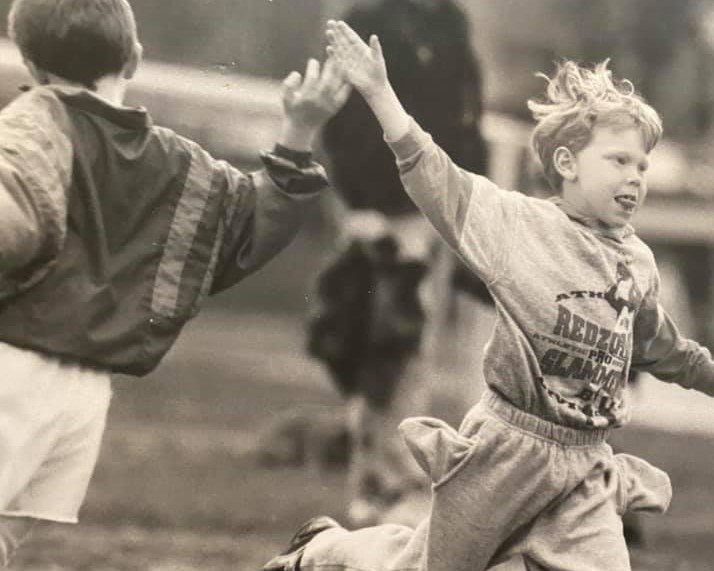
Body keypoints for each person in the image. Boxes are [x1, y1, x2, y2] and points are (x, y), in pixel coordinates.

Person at [262, 19, 714, 571]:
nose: (636, 176)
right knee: (421, 565)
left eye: (642, 164)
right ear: (567, 165)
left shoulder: (638, 262)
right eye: (619, 160)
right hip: (506, 452)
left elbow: (661, 346)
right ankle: (322, 550)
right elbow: (434, 176)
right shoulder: (520, 226)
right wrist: (381, 94)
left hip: (586, 464)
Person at [0, 0, 350, 564]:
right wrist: (300, 127)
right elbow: (255, 218)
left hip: (13, 369)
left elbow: (12, 217)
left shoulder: (35, 122)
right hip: (82, 399)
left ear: (32, 68)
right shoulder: (176, 162)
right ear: (134, 59)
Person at [307, 0, 490, 526]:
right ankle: (378, 479)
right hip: (379, 211)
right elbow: (341, 122)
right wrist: (359, 207)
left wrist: (466, 202)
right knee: (379, 346)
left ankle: (402, 477)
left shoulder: (451, 24)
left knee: (417, 348)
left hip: (435, 208)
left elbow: (466, 117)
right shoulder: (369, 19)